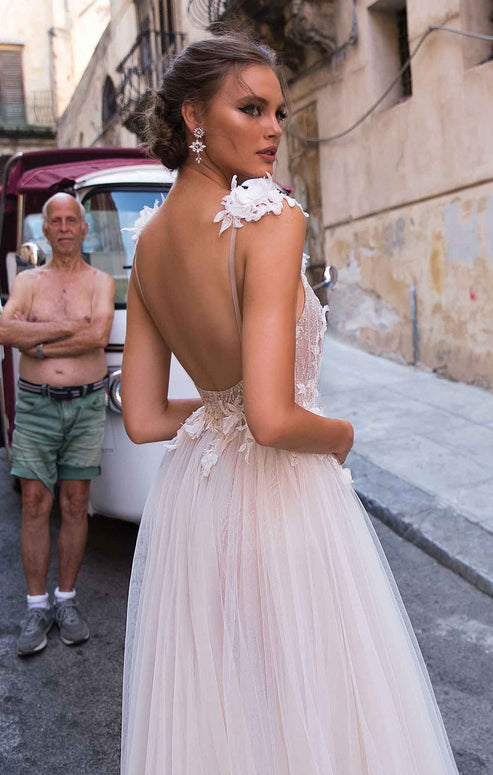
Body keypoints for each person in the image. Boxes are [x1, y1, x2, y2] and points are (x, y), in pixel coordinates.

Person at [120, 35, 460, 774]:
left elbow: (143, 415)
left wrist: (220, 410)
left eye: (276, 110)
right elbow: (274, 419)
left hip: (197, 507)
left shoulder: (146, 246)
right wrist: (339, 433)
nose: (275, 127)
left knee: (230, 719)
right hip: (281, 503)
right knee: (318, 713)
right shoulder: (269, 219)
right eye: (251, 108)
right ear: (193, 116)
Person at [0, 193, 115, 656]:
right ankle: (35, 607)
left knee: (75, 501)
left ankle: (65, 601)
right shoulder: (28, 282)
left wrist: (38, 341)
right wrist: (68, 331)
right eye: (56, 221)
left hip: (86, 406)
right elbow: (6, 331)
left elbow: (99, 335)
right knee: (33, 502)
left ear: (84, 229)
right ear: (44, 231)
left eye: (73, 220)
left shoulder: (101, 281)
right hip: (36, 406)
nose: (65, 228)